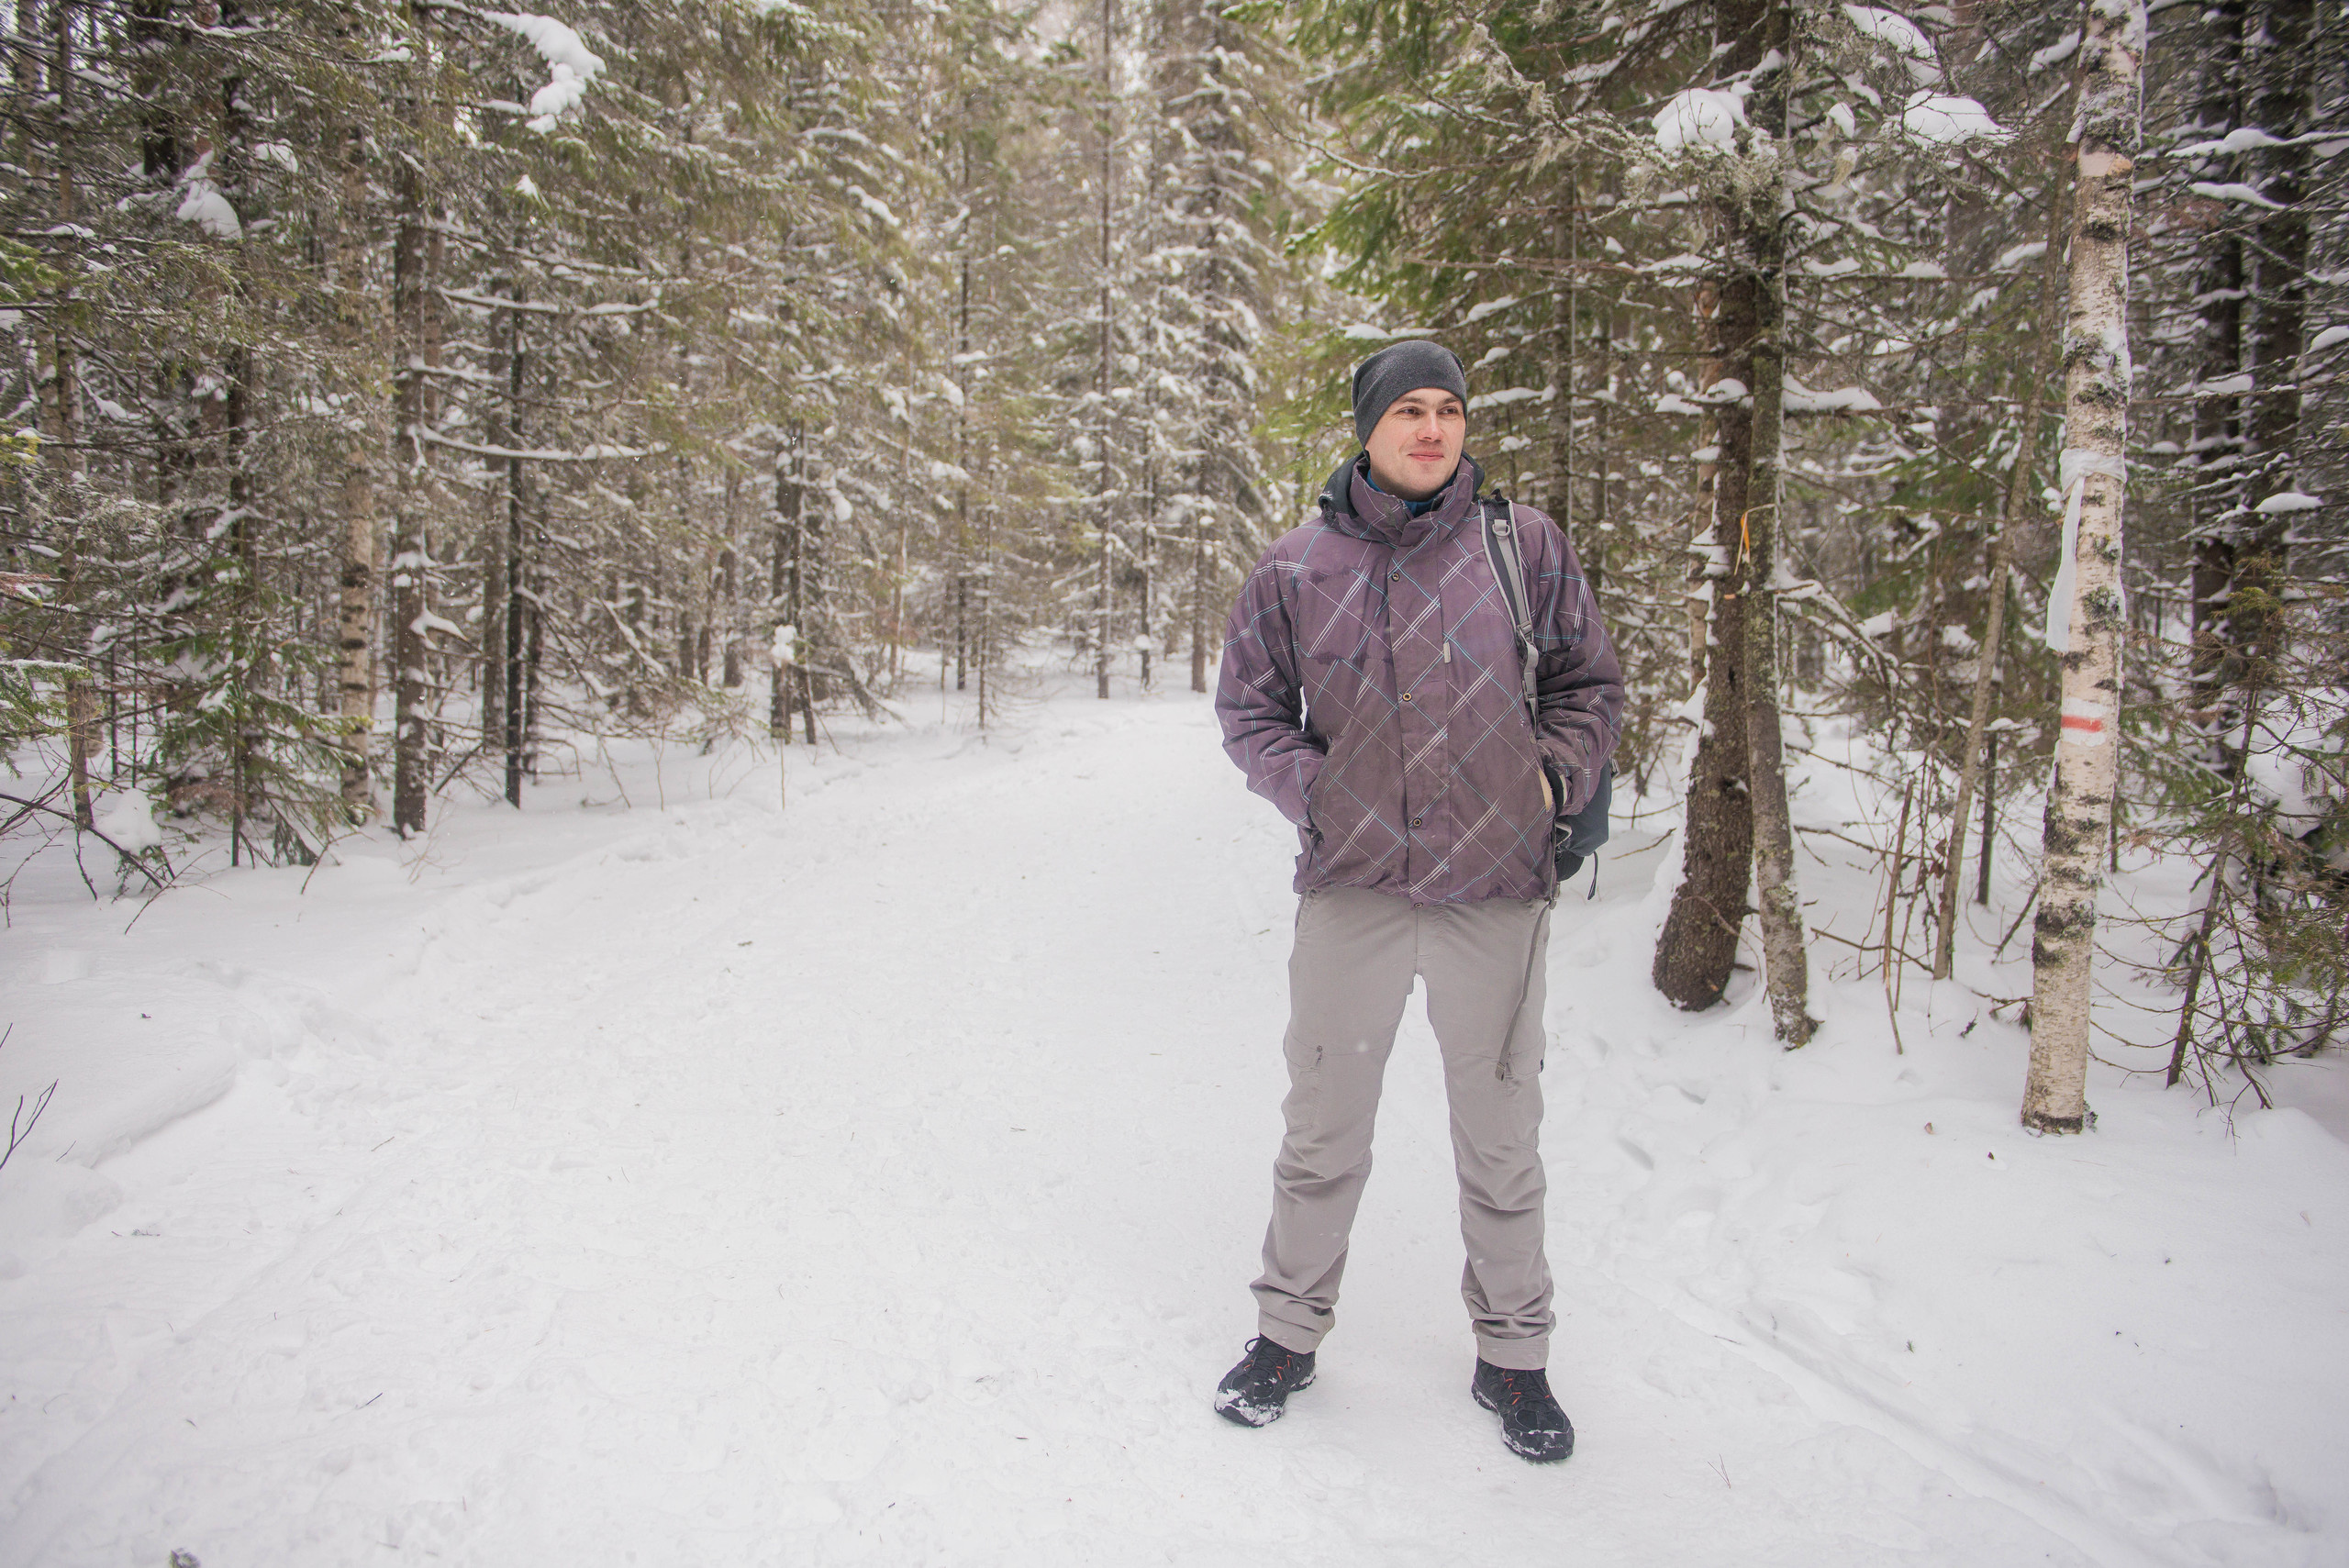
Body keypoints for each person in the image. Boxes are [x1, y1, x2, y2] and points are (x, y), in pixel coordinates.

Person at [1209, 339, 1624, 1463]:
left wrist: (1550, 780)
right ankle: (1286, 1335)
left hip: (1495, 887)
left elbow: (1588, 683)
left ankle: (1514, 1355)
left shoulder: (1523, 545)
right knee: (1322, 1125)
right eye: (1408, 411)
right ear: (1369, 428)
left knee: (1501, 1136)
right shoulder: (1297, 565)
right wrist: (1317, 794)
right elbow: (1248, 708)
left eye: (1447, 408)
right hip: (1354, 887)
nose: (1432, 428)